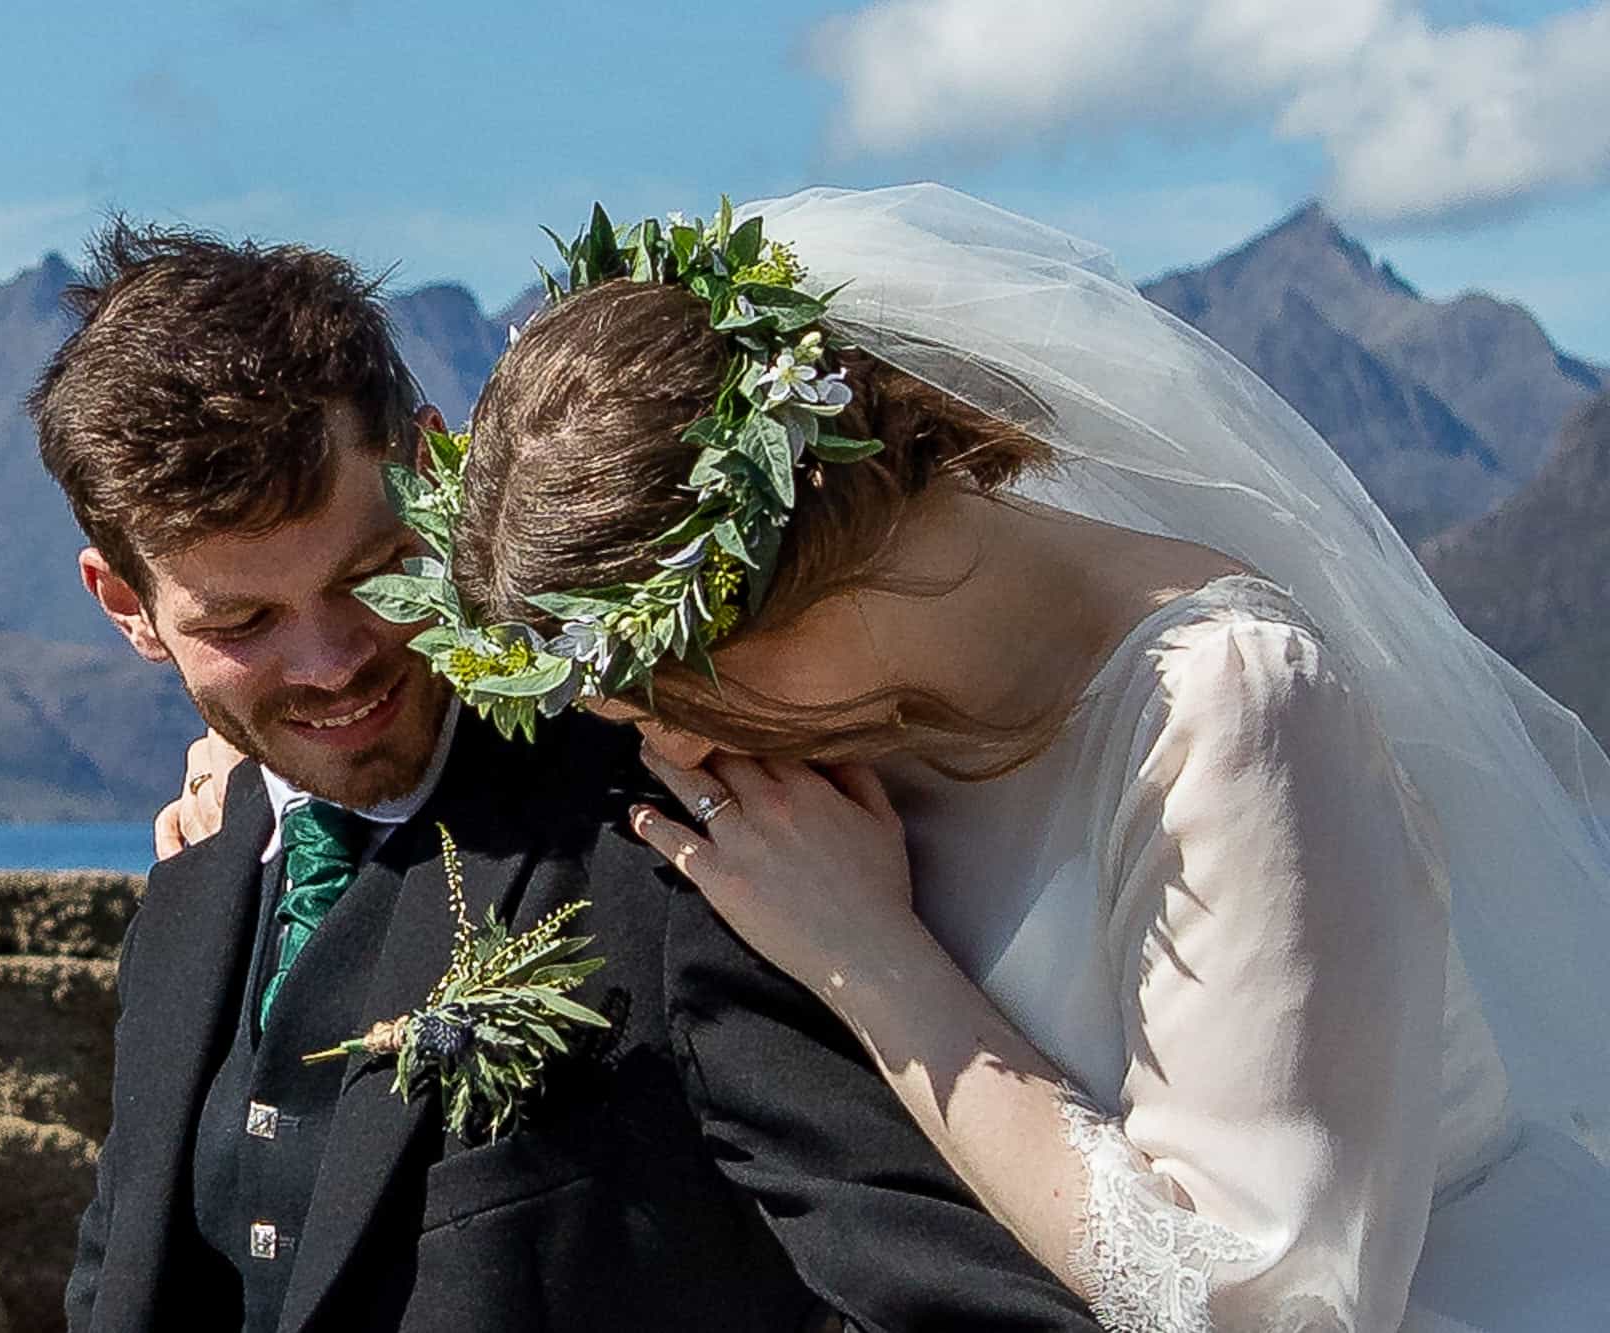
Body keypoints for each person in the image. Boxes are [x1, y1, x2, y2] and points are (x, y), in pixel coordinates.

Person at [165, 185, 1610, 1331]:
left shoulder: (1229, 707)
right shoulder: (830, 696)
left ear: (827, 562)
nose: (669, 742)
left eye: (676, 683)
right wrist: (273, 812)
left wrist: (871, 959)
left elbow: (1264, 1305)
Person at [30, 220, 1101, 1333]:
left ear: (436, 469)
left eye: (375, 572)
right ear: (127, 607)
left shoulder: (674, 835)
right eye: (245, 621)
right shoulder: (194, 877)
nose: (335, 661)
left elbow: (963, 1303)